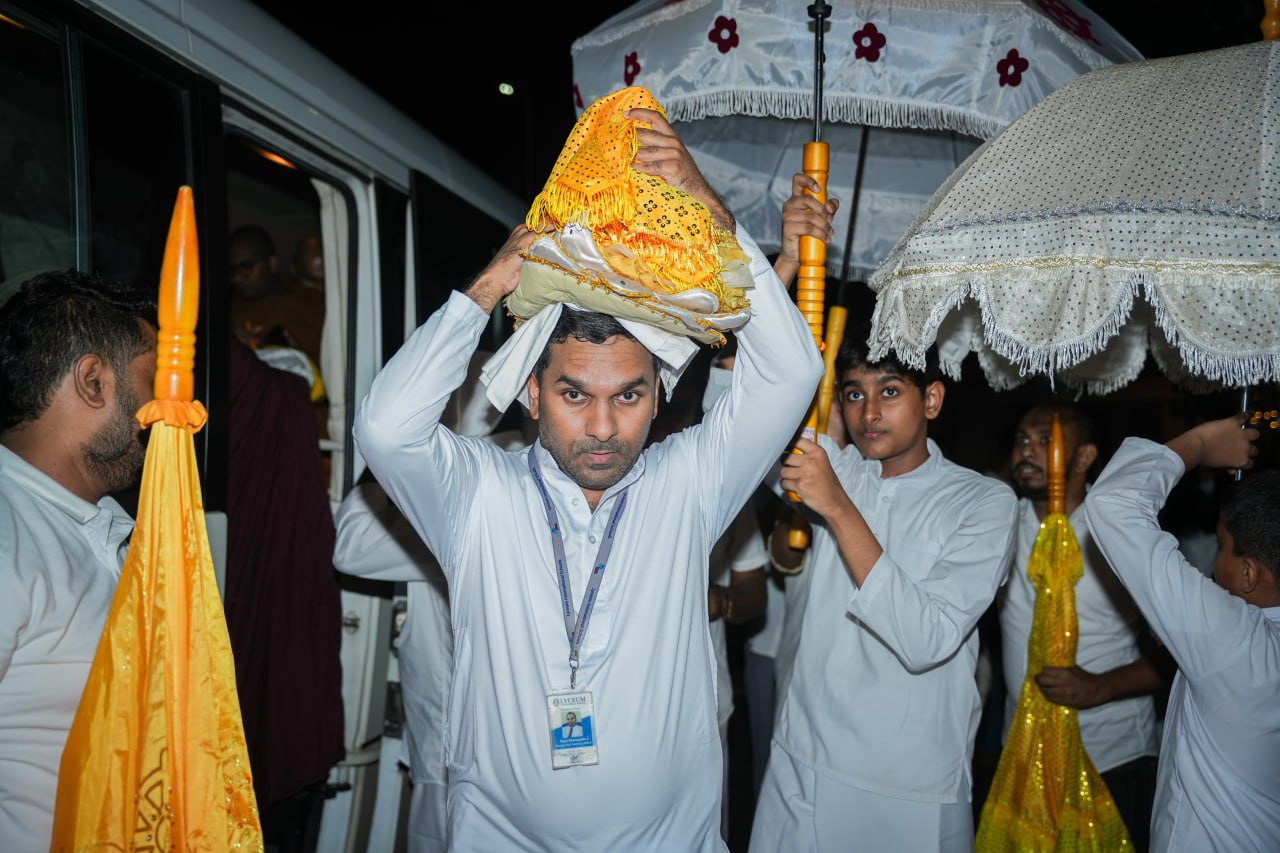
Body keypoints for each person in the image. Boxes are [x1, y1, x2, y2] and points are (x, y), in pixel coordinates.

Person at [352, 107, 822, 848]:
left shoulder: (689, 481)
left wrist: (710, 213)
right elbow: (383, 427)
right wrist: (484, 290)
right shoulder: (479, 492)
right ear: (534, 393)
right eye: (575, 394)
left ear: (659, 395)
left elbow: (793, 370)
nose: (603, 427)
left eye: (628, 395)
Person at [750, 324, 1018, 852]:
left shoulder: (983, 501)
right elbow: (755, 433)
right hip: (802, 755)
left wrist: (836, 505)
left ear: (932, 399)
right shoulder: (841, 470)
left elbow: (926, 640)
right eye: (855, 393)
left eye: (889, 391)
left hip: (906, 782)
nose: (869, 412)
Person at [334, 350, 524, 853]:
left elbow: (351, 546)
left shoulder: (500, 471)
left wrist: (397, 459)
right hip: (455, 738)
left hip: (473, 743)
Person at [0, 269, 156, 852]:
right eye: (153, 382)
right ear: (94, 381)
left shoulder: (112, 524)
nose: (170, 408)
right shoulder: (9, 535)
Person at [1083, 414, 1280, 852]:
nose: (1214, 562)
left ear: (1249, 574)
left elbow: (1114, 503)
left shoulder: (1239, 642)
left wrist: (1201, 444)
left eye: (1222, 547)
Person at [997, 403, 1165, 850]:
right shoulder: (997, 522)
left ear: (1086, 456)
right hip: (1024, 754)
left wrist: (1101, 687)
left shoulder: (1117, 530)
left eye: (1046, 440)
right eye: (1021, 440)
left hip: (1112, 753)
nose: (1028, 451)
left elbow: (1181, 651)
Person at [228, 224, 325, 367]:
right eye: (231, 270)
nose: (236, 278)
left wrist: (299, 357)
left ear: (272, 263)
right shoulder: (226, 313)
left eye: (246, 267)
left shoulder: (314, 303)